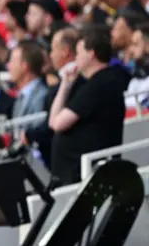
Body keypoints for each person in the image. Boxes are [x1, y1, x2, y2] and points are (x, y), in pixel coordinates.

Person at [49, 30, 131, 186]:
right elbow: (54, 122)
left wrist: (65, 85)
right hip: (79, 170)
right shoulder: (108, 78)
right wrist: (66, 84)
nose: (76, 57)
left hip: (85, 173)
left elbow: (57, 123)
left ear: (91, 54)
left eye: (79, 52)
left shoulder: (99, 85)